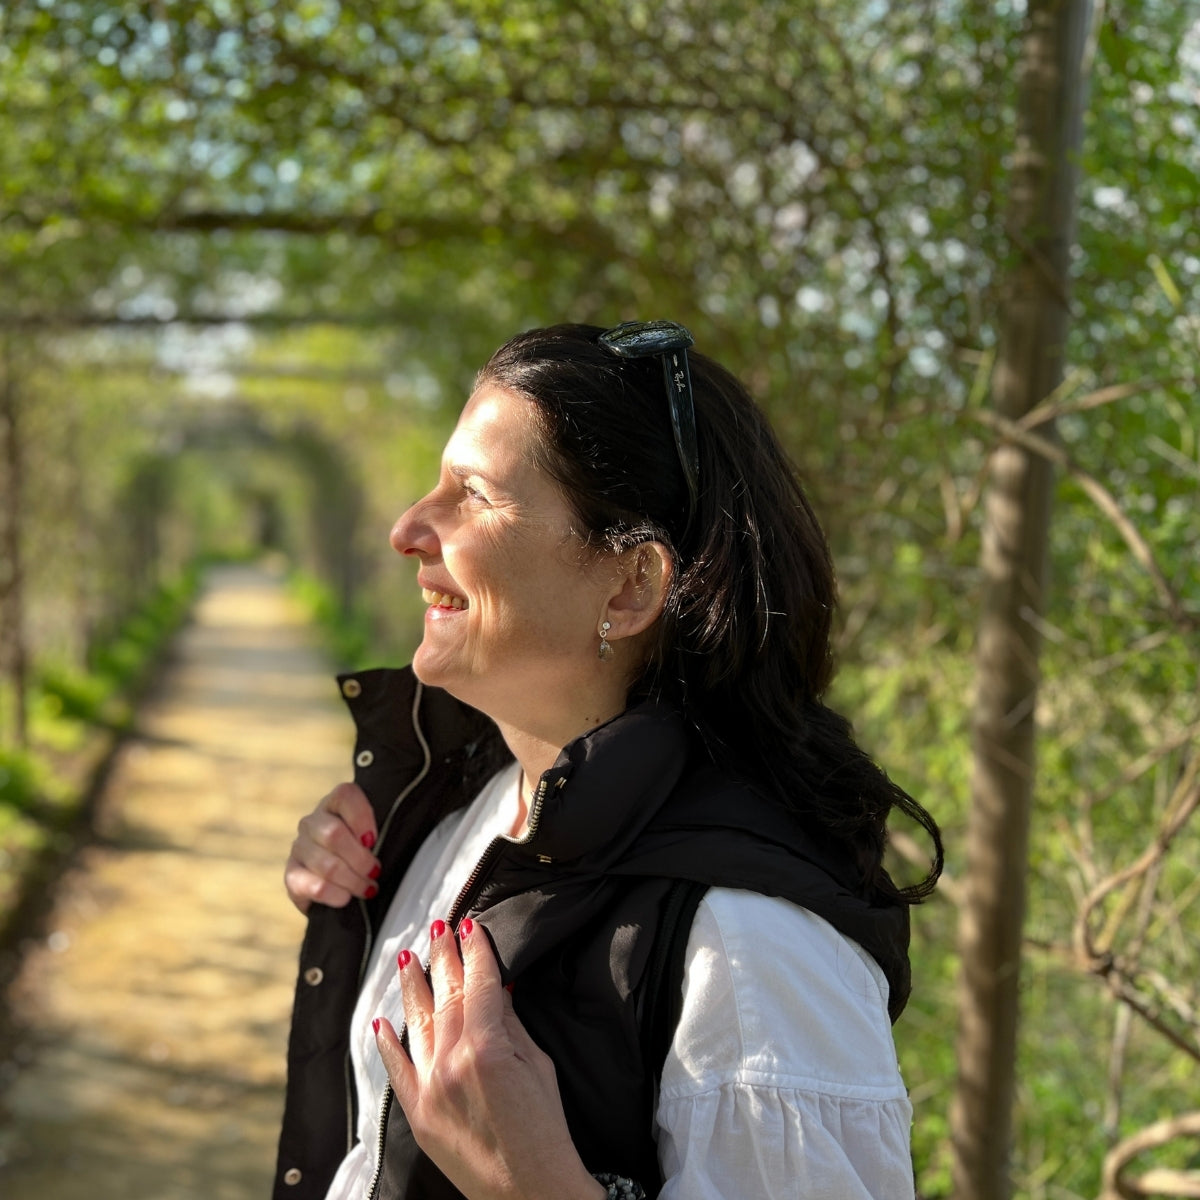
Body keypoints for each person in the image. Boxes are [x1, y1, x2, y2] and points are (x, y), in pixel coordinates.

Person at [275, 321, 943, 1200]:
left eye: (471, 494)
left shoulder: (751, 951)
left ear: (630, 587)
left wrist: (536, 1189)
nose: (409, 527)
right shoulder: (464, 798)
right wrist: (360, 894)